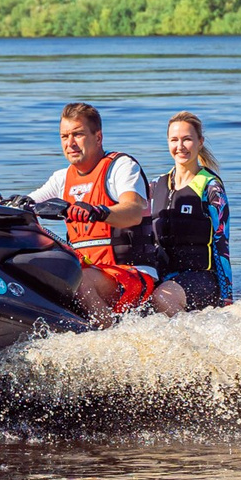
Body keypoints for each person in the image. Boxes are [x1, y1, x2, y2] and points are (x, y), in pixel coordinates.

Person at [28, 101, 157, 319]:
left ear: (98, 137)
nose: (70, 143)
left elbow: (133, 211)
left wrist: (99, 212)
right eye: (64, 136)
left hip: (132, 273)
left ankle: (106, 338)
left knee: (79, 280)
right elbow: (28, 204)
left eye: (77, 134)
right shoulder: (61, 178)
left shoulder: (121, 166)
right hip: (91, 272)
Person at [148, 111, 232, 315]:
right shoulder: (155, 185)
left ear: (200, 142)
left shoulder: (211, 188)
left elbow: (222, 244)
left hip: (202, 279)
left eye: (187, 139)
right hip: (163, 276)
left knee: (161, 298)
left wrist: (227, 297)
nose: (180, 146)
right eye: (174, 140)